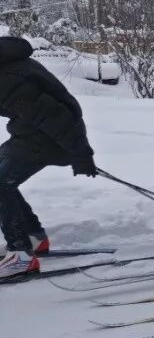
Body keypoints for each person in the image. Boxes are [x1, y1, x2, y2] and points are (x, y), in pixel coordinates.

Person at [0, 37, 97, 278]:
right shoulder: (9, 65)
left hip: (50, 138)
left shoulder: (8, 78)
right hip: (32, 134)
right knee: (4, 180)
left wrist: (81, 153)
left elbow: (56, 116)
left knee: (1, 183)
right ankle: (33, 239)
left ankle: (21, 256)